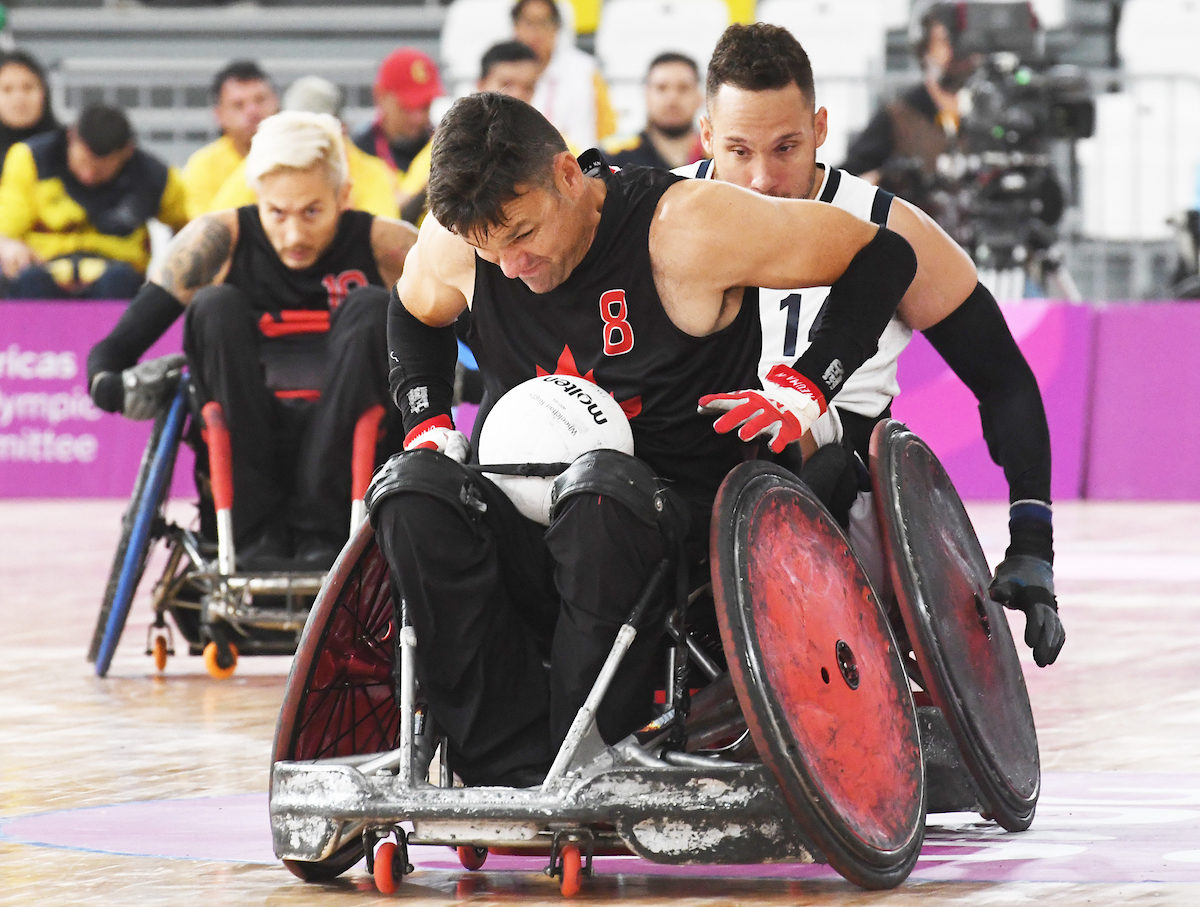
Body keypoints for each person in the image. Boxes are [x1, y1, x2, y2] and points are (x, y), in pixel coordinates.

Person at [366, 92, 918, 786]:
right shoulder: (460, 242)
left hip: (674, 523)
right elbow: (412, 314)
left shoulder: (685, 226)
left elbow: (883, 256)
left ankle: (582, 762)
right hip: (528, 517)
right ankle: (500, 765)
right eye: (489, 249)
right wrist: (426, 422)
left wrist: (807, 385)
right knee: (410, 490)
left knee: (601, 492)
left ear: (567, 174)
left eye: (523, 234)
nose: (511, 266)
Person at [678, 23, 1064, 667]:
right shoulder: (663, 206)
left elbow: (1004, 379)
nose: (763, 178)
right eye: (739, 150)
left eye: (786, 147)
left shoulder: (890, 226)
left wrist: (1033, 541)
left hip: (838, 472)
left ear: (822, 128)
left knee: (797, 447)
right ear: (708, 134)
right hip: (689, 453)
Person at [87, 112, 417, 568]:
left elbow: (479, 334)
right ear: (256, 196)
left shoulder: (389, 247)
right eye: (276, 212)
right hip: (246, 440)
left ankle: (326, 531)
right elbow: (117, 346)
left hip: (350, 461)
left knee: (370, 308)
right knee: (214, 305)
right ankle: (254, 533)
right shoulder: (216, 240)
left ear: (344, 196)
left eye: (312, 211)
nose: (294, 234)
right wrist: (105, 381)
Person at [0, 104, 188, 300]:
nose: (88, 175)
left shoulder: (155, 177)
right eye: (83, 162)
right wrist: (8, 245)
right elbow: (5, 230)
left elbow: (188, 229)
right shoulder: (31, 159)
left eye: (100, 169)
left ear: (127, 152)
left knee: (118, 281)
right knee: (31, 280)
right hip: (44, 269)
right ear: (72, 137)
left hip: (118, 278)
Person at [393, 40, 549, 225]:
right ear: (481, 85)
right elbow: (400, 212)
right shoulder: (450, 143)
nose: (518, 95)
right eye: (507, 84)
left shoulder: (553, 145)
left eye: (528, 87)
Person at [208, 75, 400, 220]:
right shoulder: (262, 163)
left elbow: (382, 237)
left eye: (316, 130)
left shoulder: (372, 173)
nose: (305, 139)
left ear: (340, 129)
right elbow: (218, 222)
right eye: (297, 127)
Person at [841, 3, 977, 196]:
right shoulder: (898, 116)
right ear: (924, 47)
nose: (955, 52)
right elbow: (849, 176)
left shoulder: (994, 114)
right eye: (944, 40)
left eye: (963, 42)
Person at [182, 61, 279, 220]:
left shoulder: (300, 156)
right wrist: (260, 154)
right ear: (219, 115)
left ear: (276, 101)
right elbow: (205, 229)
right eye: (239, 105)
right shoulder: (202, 166)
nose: (253, 112)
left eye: (260, 100)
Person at [513, 0, 615, 150]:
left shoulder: (585, 70)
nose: (535, 32)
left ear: (557, 27)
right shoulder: (504, 70)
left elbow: (607, 132)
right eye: (528, 22)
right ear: (515, 27)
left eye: (544, 23)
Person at [351, 48, 443, 180]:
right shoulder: (358, 152)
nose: (418, 118)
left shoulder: (443, 149)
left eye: (425, 106)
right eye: (407, 107)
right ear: (380, 96)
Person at [604, 52, 704, 171]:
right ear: (646, 95)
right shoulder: (614, 157)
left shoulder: (717, 155)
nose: (672, 98)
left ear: (700, 97)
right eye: (661, 88)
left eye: (683, 88)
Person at [0, 49, 58, 165]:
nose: (19, 97)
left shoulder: (66, 151)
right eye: (7, 89)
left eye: (28, 87)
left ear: (44, 92)